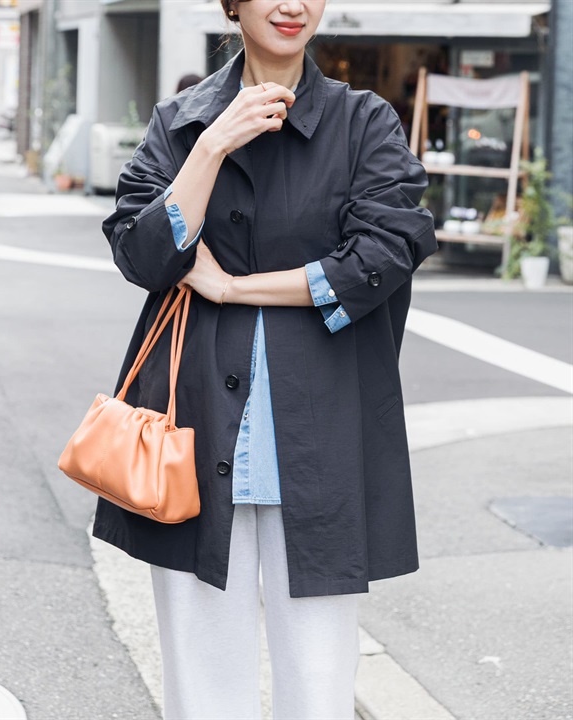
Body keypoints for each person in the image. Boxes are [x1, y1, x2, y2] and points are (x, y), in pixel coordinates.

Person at [93, 0, 437, 717]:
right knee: (201, 683)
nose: (292, 5)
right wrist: (211, 147)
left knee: (317, 681)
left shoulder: (363, 122)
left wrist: (231, 287)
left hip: (319, 434)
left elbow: (384, 252)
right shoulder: (182, 122)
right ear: (232, 4)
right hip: (193, 430)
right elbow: (142, 253)